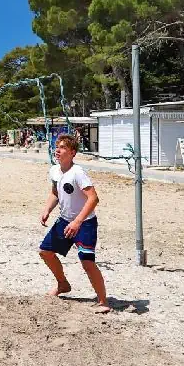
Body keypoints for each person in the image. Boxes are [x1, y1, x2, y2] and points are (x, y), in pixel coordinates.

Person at [39, 134, 109, 314]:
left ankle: (103, 301)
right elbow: (55, 193)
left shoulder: (78, 172)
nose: (58, 150)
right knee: (45, 252)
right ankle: (62, 284)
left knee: (87, 262)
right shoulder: (54, 171)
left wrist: (78, 222)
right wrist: (47, 209)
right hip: (64, 220)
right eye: (57, 146)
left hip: (85, 223)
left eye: (62, 147)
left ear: (72, 153)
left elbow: (93, 198)